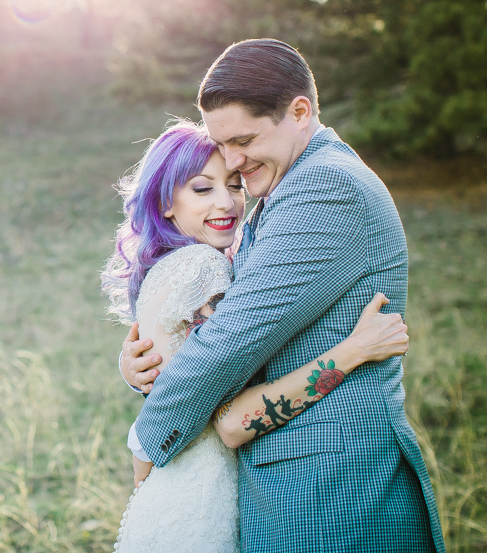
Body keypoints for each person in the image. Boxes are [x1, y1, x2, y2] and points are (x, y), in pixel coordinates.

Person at [119, 39, 445, 552]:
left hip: (334, 488)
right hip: (287, 482)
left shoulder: (325, 188)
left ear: (299, 112)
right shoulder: (286, 184)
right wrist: (150, 363)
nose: (233, 160)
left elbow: (232, 340)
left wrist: (149, 440)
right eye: (222, 143)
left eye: (243, 139)